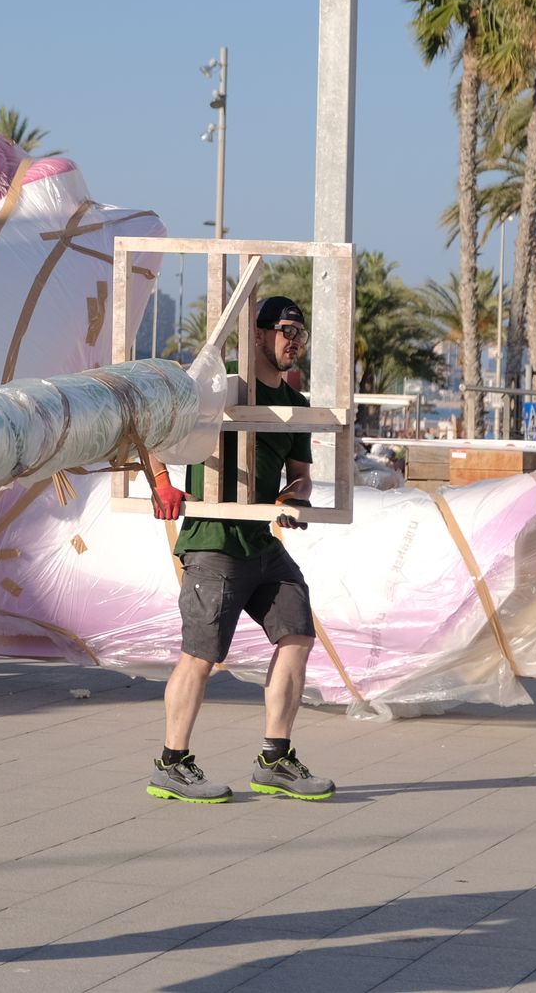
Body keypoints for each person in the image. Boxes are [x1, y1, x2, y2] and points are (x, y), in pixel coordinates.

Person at [144, 295, 337, 805]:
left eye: (301, 333)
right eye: (286, 330)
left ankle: (275, 759)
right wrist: (161, 481)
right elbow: (151, 426)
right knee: (201, 656)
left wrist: (292, 499)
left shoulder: (294, 406)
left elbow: (301, 480)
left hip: (260, 543)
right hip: (213, 544)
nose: (294, 341)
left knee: (296, 631)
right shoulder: (221, 387)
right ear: (258, 334)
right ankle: (172, 763)